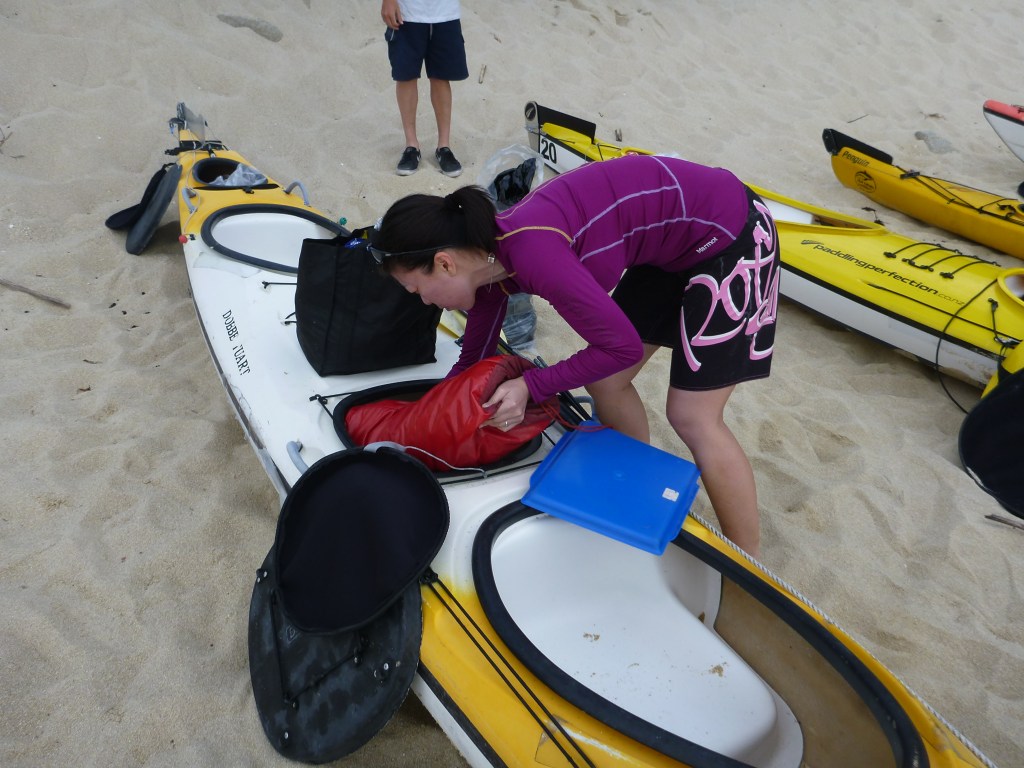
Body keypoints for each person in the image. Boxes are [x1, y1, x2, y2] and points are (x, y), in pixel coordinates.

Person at [371, 154, 779, 556]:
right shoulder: (488, 268)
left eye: (415, 289)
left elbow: (621, 348)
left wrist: (530, 384)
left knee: (692, 415)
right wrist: (421, 421)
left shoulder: (534, 254)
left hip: (730, 232)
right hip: (669, 245)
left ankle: (749, 562)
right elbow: (471, 362)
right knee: (604, 382)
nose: (422, 301)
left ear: (444, 264)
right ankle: (634, 481)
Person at [381, 0, 468, 177]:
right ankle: (411, 146)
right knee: (406, 76)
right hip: (406, 11)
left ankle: (444, 147)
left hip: (445, 11)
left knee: (441, 76)